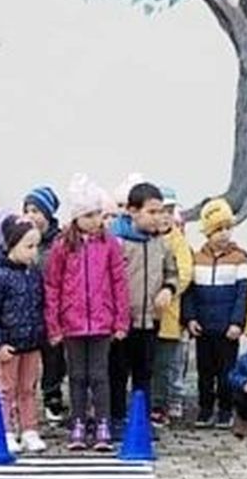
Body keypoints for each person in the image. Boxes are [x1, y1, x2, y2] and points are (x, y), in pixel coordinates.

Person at [43, 175, 127, 452]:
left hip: (102, 323)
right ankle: (78, 422)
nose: (95, 221)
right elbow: (53, 285)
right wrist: (53, 325)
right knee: (77, 375)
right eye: (88, 215)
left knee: (100, 375)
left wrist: (120, 319)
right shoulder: (62, 246)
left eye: (99, 214)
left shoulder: (110, 244)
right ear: (77, 217)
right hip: (73, 323)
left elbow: (119, 283)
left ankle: (102, 423)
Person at [0, 212, 49, 453]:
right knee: (5, 390)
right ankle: (6, 430)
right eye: (28, 246)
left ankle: (29, 429)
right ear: (11, 245)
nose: (33, 252)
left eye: (36, 246)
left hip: (30, 344)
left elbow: (40, 305)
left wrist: (41, 335)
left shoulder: (33, 274)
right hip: (7, 346)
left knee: (28, 388)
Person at [110, 181, 178, 430]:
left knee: (144, 374)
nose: (158, 217)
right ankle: (116, 419)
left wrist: (168, 289)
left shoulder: (161, 243)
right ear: (132, 210)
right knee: (117, 373)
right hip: (121, 322)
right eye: (151, 212)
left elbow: (172, 272)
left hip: (150, 320)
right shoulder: (116, 242)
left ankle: (141, 422)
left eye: (161, 211)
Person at [186, 199, 247, 429]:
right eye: (217, 229)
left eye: (227, 228)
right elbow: (190, 293)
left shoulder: (239, 260)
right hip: (204, 327)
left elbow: (243, 295)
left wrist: (237, 322)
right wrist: (191, 318)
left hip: (227, 329)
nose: (224, 234)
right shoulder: (197, 259)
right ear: (207, 232)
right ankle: (205, 408)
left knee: (227, 372)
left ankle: (226, 409)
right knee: (205, 371)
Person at [152, 188, 196, 424]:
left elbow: (185, 272)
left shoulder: (178, 241)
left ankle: (161, 406)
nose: (165, 216)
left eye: (169, 210)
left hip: (169, 315)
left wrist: (169, 291)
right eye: (160, 211)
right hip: (145, 315)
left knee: (164, 365)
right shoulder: (147, 237)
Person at [23, 185, 66, 421]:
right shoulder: (21, 240)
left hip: (54, 310)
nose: (31, 216)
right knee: (27, 358)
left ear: (48, 214)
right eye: (27, 210)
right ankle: (24, 399)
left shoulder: (60, 242)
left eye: (37, 211)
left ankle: (52, 396)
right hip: (27, 310)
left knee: (55, 357)